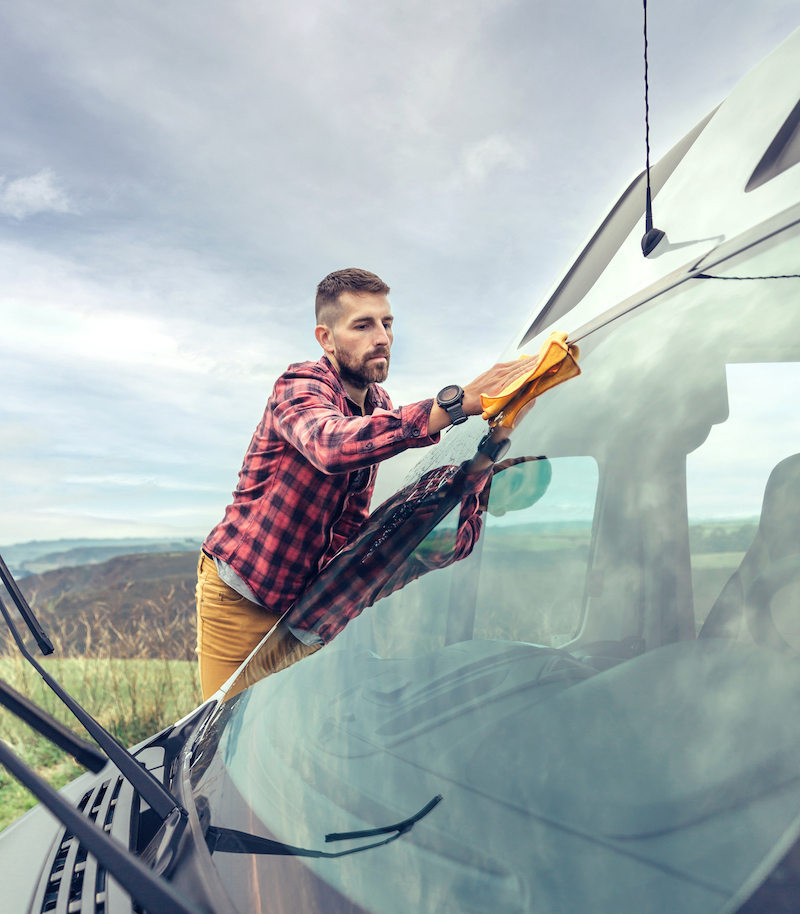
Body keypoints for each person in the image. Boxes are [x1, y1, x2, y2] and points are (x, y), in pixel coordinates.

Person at [196, 267, 538, 699]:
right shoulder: (298, 386)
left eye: (387, 323)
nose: (382, 337)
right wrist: (455, 404)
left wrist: (492, 445)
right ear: (326, 338)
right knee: (222, 722)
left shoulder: (380, 404)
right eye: (363, 325)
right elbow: (330, 445)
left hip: (308, 608)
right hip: (243, 594)